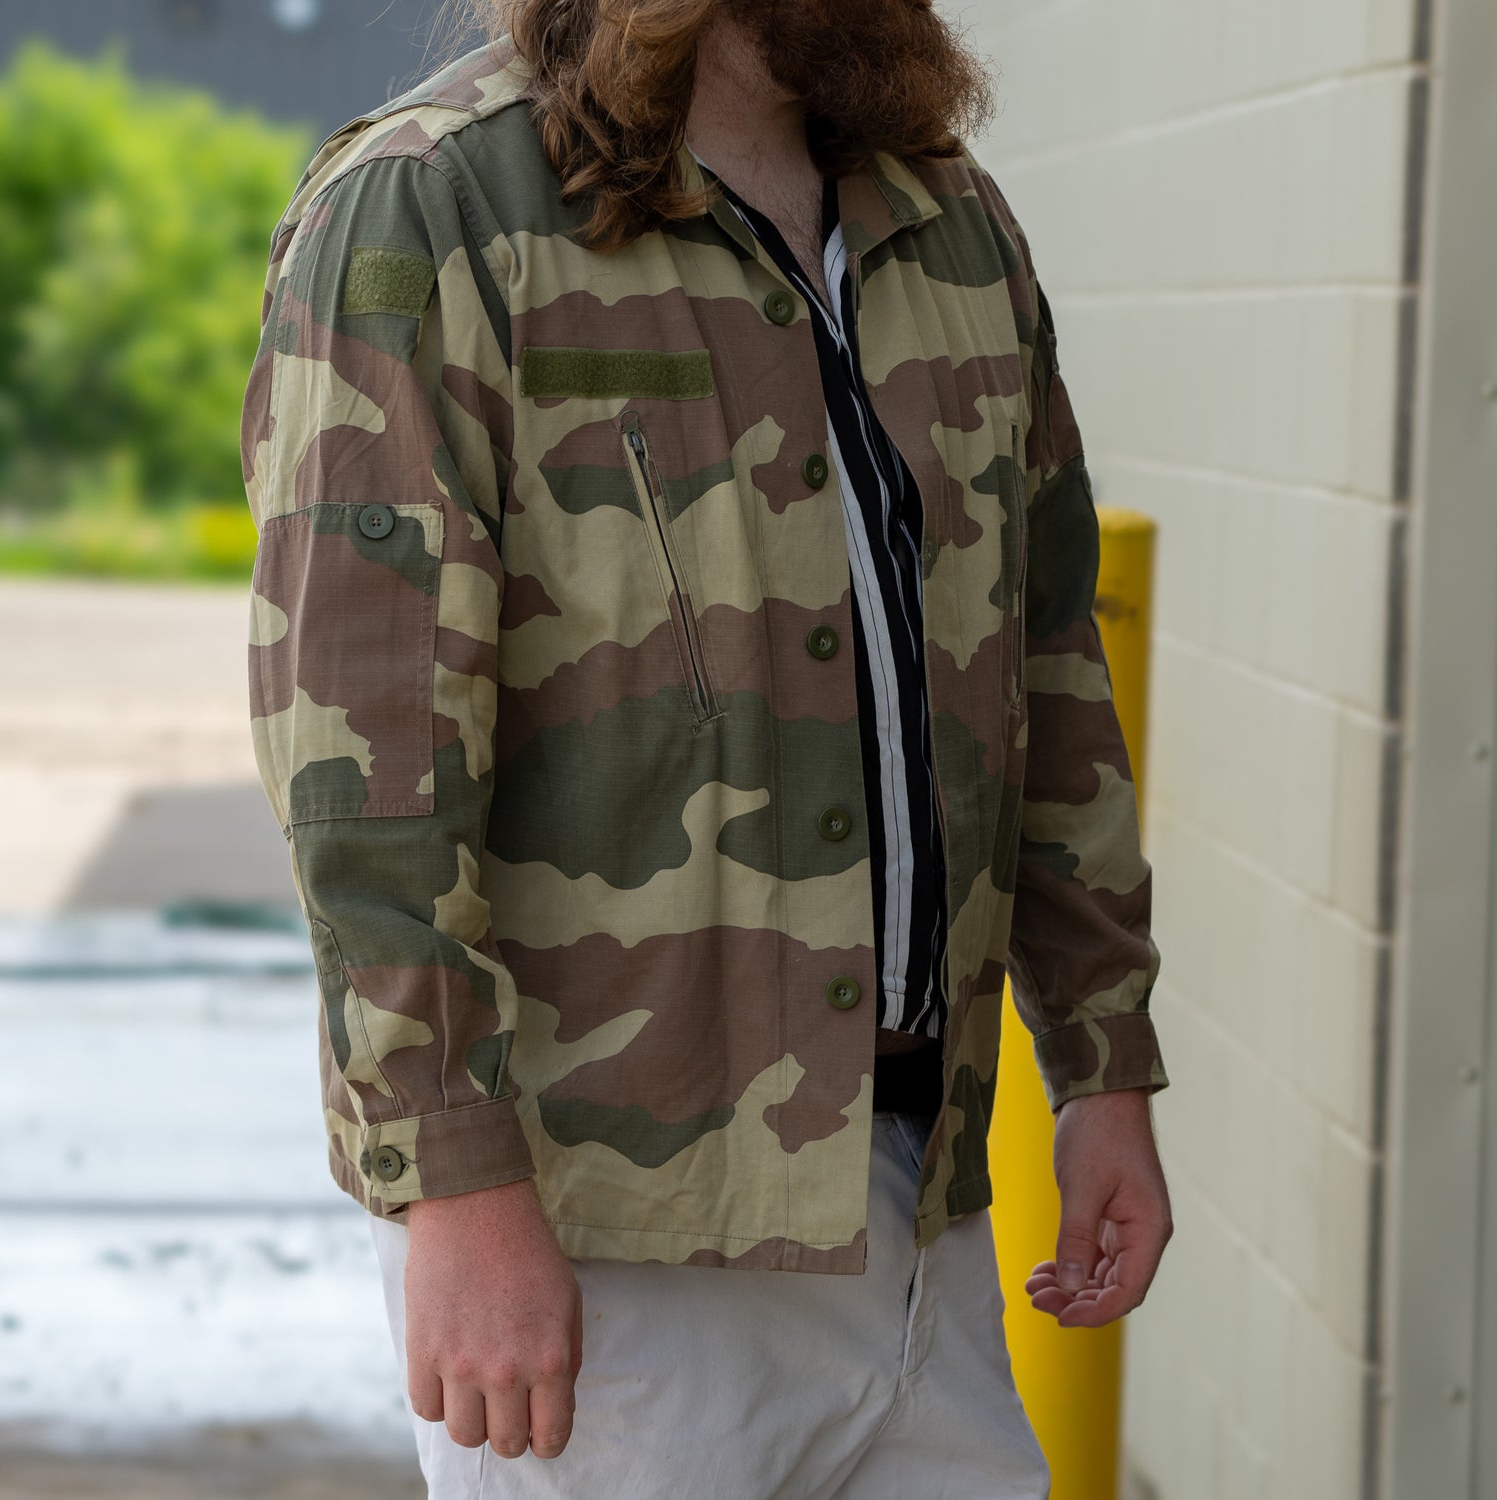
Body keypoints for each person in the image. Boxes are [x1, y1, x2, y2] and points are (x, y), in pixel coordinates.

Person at [242, 1, 1172, 1494]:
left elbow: (1047, 665)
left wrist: (1102, 1066)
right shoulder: (434, 209)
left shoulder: (950, 218)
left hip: (923, 1205)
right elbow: (363, 751)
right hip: (613, 1250)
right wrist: (454, 1184)